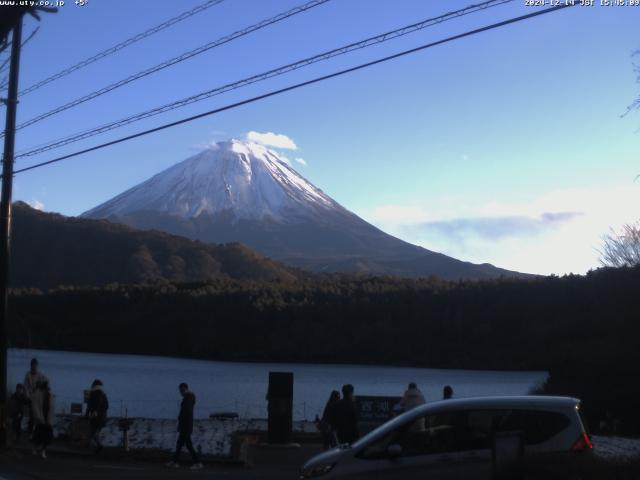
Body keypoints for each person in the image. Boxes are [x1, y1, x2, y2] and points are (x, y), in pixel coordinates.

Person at [166, 383, 203, 470]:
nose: (181, 392)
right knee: (179, 444)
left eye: (182, 390)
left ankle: (197, 463)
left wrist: (181, 418)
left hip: (186, 426)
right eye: (180, 391)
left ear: (186, 389)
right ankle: (175, 462)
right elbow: (186, 411)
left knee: (188, 445)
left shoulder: (188, 398)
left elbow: (187, 411)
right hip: (185, 425)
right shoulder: (188, 398)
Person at [31, 380, 54, 458]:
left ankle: (43, 451)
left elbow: (52, 407)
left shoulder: (50, 395)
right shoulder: (38, 394)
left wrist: (51, 419)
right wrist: (38, 416)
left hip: (47, 417)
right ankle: (35, 448)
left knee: (47, 436)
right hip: (40, 418)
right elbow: (35, 406)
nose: (47, 388)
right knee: (38, 435)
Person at [23, 358, 48, 433]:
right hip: (31, 398)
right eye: (33, 365)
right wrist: (27, 396)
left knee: (38, 415)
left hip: (38, 399)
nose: (34, 367)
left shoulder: (40, 375)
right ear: (31, 365)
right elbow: (25, 386)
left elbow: (45, 382)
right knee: (31, 415)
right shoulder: (27, 375)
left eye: (35, 365)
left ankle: (37, 431)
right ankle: (30, 431)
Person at [86, 379, 109, 453]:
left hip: (95, 416)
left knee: (93, 432)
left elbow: (89, 406)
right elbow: (107, 406)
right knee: (95, 432)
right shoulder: (103, 394)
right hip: (102, 416)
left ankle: (98, 446)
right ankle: (94, 446)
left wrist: (87, 414)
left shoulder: (93, 393)